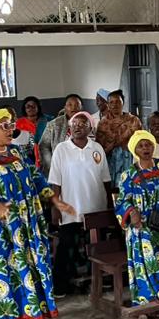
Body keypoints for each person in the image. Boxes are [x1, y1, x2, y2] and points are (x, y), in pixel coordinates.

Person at [0, 109, 75, 319]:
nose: (10, 130)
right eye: (4, 126)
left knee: (22, 274)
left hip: (24, 228)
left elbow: (36, 177)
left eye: (10, 125)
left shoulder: (15, 152)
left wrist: (54, 199)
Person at [115, 130, 159, 304]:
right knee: (147, 250)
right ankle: (149, 299)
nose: (145, 148)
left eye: (148, 144)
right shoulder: (128, 175)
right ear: (135, 150)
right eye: (140, 146)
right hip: (143, 224)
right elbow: (122, 201)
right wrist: (131, 212)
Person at [47, 112, 111, 297]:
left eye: (83, 123)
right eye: (74, 123)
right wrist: (56, 206)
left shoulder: (96, 148)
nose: (78, 126)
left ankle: (97, 281)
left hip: (95, 207)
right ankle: (61, 285)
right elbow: (55, 181)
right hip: (71, 207)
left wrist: (109, 204)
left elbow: (105, 179)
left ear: (90, 128)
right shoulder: (62, 149)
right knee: (67, 246)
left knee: (97, 246)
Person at [95, 90, 142, 188]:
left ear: (123, 103)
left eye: (118, 101)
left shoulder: (134, 121)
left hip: (129, 160)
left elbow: (140, 141)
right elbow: (99, 147)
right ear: (108, 104)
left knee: (130, 186)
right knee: (111, 189)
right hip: (110, 162)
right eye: (111, 102)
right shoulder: (103, 123)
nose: (114, 105)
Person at [39, 93, 84, 172]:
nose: (73, 107)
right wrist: (51, 165)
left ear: (81, 108)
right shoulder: (54, 124)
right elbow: (44, 146)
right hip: (59, 167)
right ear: (65, 108)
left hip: (81, 166)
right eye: (70, 105)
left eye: (77, 105)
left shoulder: (88, 124)